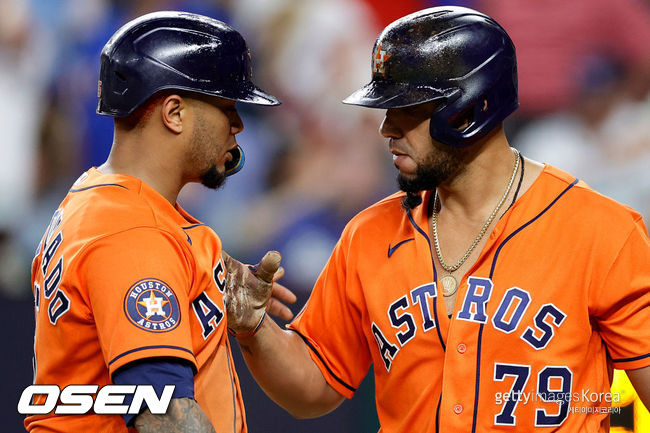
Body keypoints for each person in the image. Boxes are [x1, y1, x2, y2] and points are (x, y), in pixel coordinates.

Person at [224, 6, 650, 432]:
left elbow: (636, 400)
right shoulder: (368, 235)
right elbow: (313, 389)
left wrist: (610, 418)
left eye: (407, 109)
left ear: (469, 107)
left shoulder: (601, 232)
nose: (387, 129)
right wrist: (255, 329)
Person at [25, 11, 293, 433]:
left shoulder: (100, 198)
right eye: (227, 106)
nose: (239, 124)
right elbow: (162, 413)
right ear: (174, 113)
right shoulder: (133, 232)